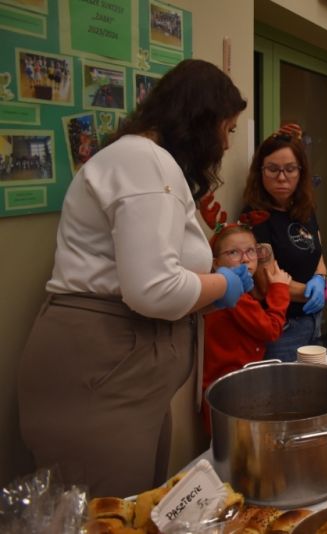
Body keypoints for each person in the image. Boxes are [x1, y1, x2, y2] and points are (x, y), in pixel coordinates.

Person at [17, 59, 250, 497]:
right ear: (201, 119)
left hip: (127, 378)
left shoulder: (145, 161)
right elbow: (154, 289)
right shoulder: (144, 160)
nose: (225, 143)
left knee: (134, 508)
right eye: (227, 129)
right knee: (106, 515)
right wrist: (223, 284)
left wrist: (205, 290)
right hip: (101, 377)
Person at [243, 124, 327, 362]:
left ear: (301, 171)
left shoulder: (304, 207)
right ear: (260, 171)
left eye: (290, 169)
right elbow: (266, 282)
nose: (282, 177)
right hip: (282, 328)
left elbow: (317, 253)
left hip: (312, 321)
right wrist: (315, 292)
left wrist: (320, 279)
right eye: (273, 169)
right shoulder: (255, 217)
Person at [200, 219, 291, 432]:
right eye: (233, 252)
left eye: (251, 251)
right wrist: (279, 289)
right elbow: (271, 330)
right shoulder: (234, 295)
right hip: (230, 393)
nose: (245, 259)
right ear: (216, 263)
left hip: (231, 387)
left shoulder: (236, 289)